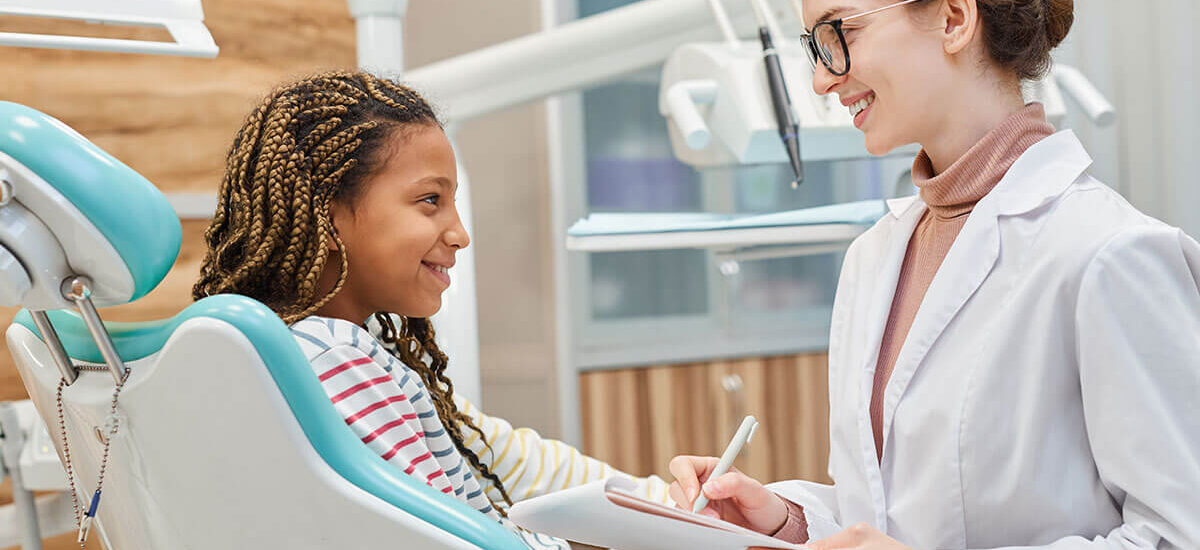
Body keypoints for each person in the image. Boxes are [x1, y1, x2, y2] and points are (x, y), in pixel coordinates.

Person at [667, 1, 1200, 549]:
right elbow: (888, 513)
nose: (822, 80)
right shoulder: (874, 257)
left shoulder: (1112, 253)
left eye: (839, 32)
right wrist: (785, 521)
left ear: (953, 19)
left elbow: (1179, 534)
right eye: (815, 47)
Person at [192, 71, 670, 549]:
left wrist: (670, 507)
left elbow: (508, 458)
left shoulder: (289, 350)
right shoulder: (335, 358)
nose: (460, 234)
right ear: (329, 215)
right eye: (430, 200)